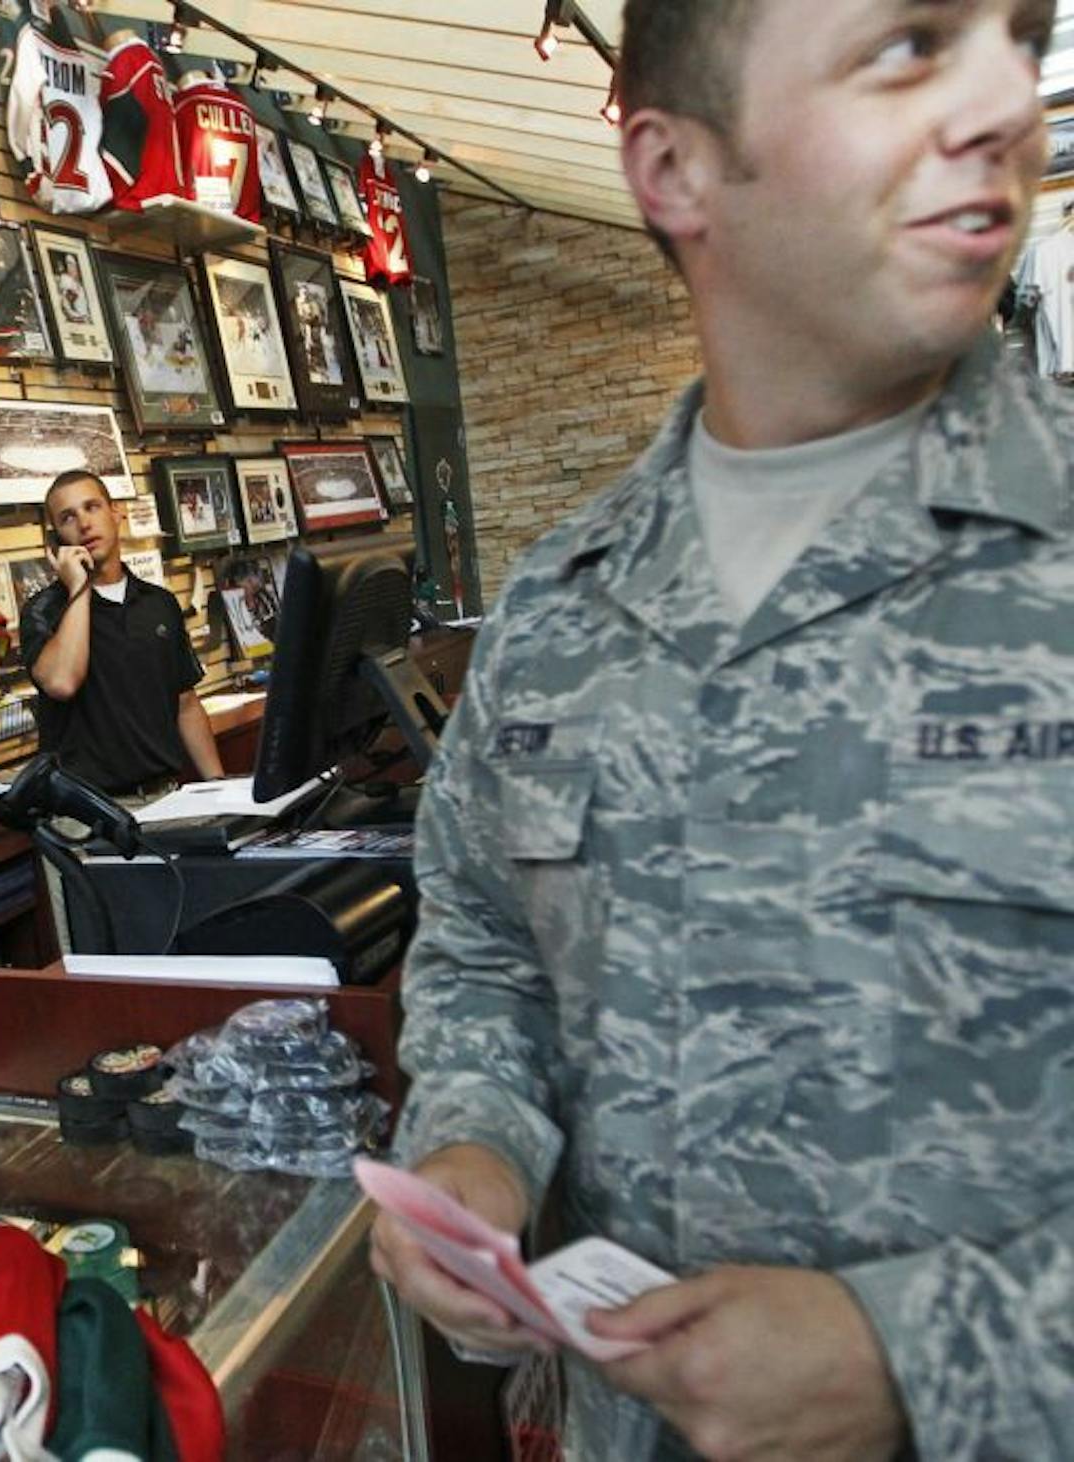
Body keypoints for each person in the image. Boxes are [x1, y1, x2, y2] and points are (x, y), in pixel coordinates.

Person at [373, 2, 1069, 1459]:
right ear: (676, 170)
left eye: (1026, 34)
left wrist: (926, 1351)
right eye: (912, 45)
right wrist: (475, 1149)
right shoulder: (560, 609)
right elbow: (486, 944)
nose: (1011, 96)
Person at [19, 470, 223, 798]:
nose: (84, 524)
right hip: (87, 812)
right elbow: (61, 682)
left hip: (164, 796)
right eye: (68, 517)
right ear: (54, 539)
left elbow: (185, 704)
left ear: (116, 515)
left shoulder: (160, 603)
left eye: (92, 507)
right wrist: (79, 586)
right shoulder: (42, 610)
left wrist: (218, 788)